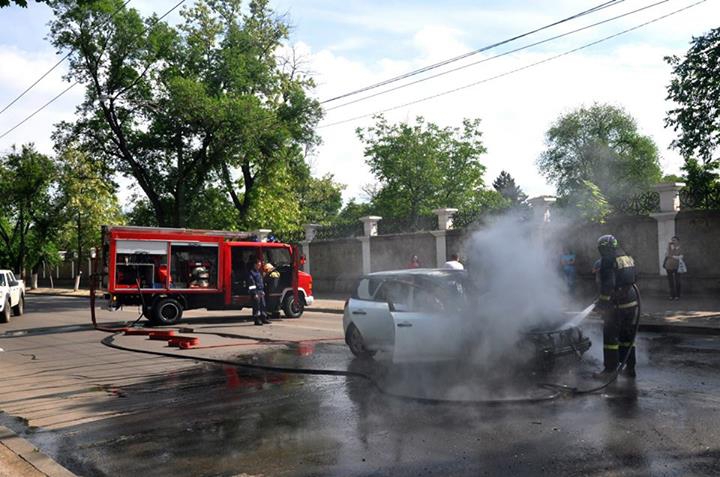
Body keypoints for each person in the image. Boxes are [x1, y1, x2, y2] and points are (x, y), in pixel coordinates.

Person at [595, 235, 639, 379]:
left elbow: (608, 285)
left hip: (616, 305)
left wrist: (602, 303)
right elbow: (633, 278)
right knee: (627, 336)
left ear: (605, 247)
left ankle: (610, 370)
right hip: (631, 302)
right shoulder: (627, 257)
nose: (601, 251)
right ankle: (630, 367)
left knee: (610, 338)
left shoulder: (608, 260)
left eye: (601, 248)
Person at [248, 259, 270, 326]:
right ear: (255, 265)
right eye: (258, 265)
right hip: (256, 292)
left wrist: (262, 291)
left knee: (263, 305)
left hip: (260, 291)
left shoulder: (258, 272)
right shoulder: (251, 273)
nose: (259, 266)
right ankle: (256, 320)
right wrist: (254, 293)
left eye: (260, 265)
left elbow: (260, 282)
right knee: (256, 306)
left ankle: (264, 318)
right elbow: (252, 285)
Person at [663, 236, 683, 300]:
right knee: (670, 282)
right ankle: (672, 295)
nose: (673, 242)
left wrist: (672, 256)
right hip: (668, 266)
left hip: (677, 267)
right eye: (672, 240)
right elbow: (666, 255)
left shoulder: (680, 248)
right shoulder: (670, 248)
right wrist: (668, 247)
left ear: (678, 241)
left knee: (677, 281)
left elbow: (680, 257)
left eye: (674, 240)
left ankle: (677, 295)